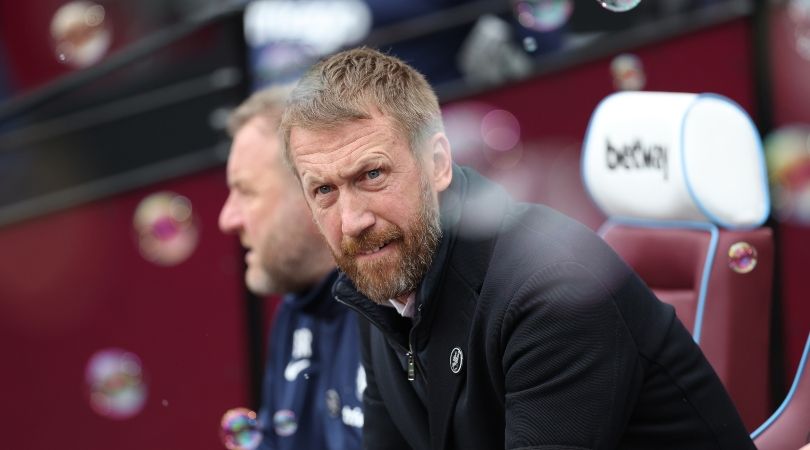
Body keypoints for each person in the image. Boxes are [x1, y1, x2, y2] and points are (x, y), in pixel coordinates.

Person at [278, 47, 757, 449]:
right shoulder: (380, 280)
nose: (353, 221)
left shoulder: (551, 291)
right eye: (324, 191)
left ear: (438, 163)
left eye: (373, 174)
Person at [218, 85, 364, 450]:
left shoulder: (400, 308)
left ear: (313, 190)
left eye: (246, 191)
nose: (227, 218)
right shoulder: (294, 313)